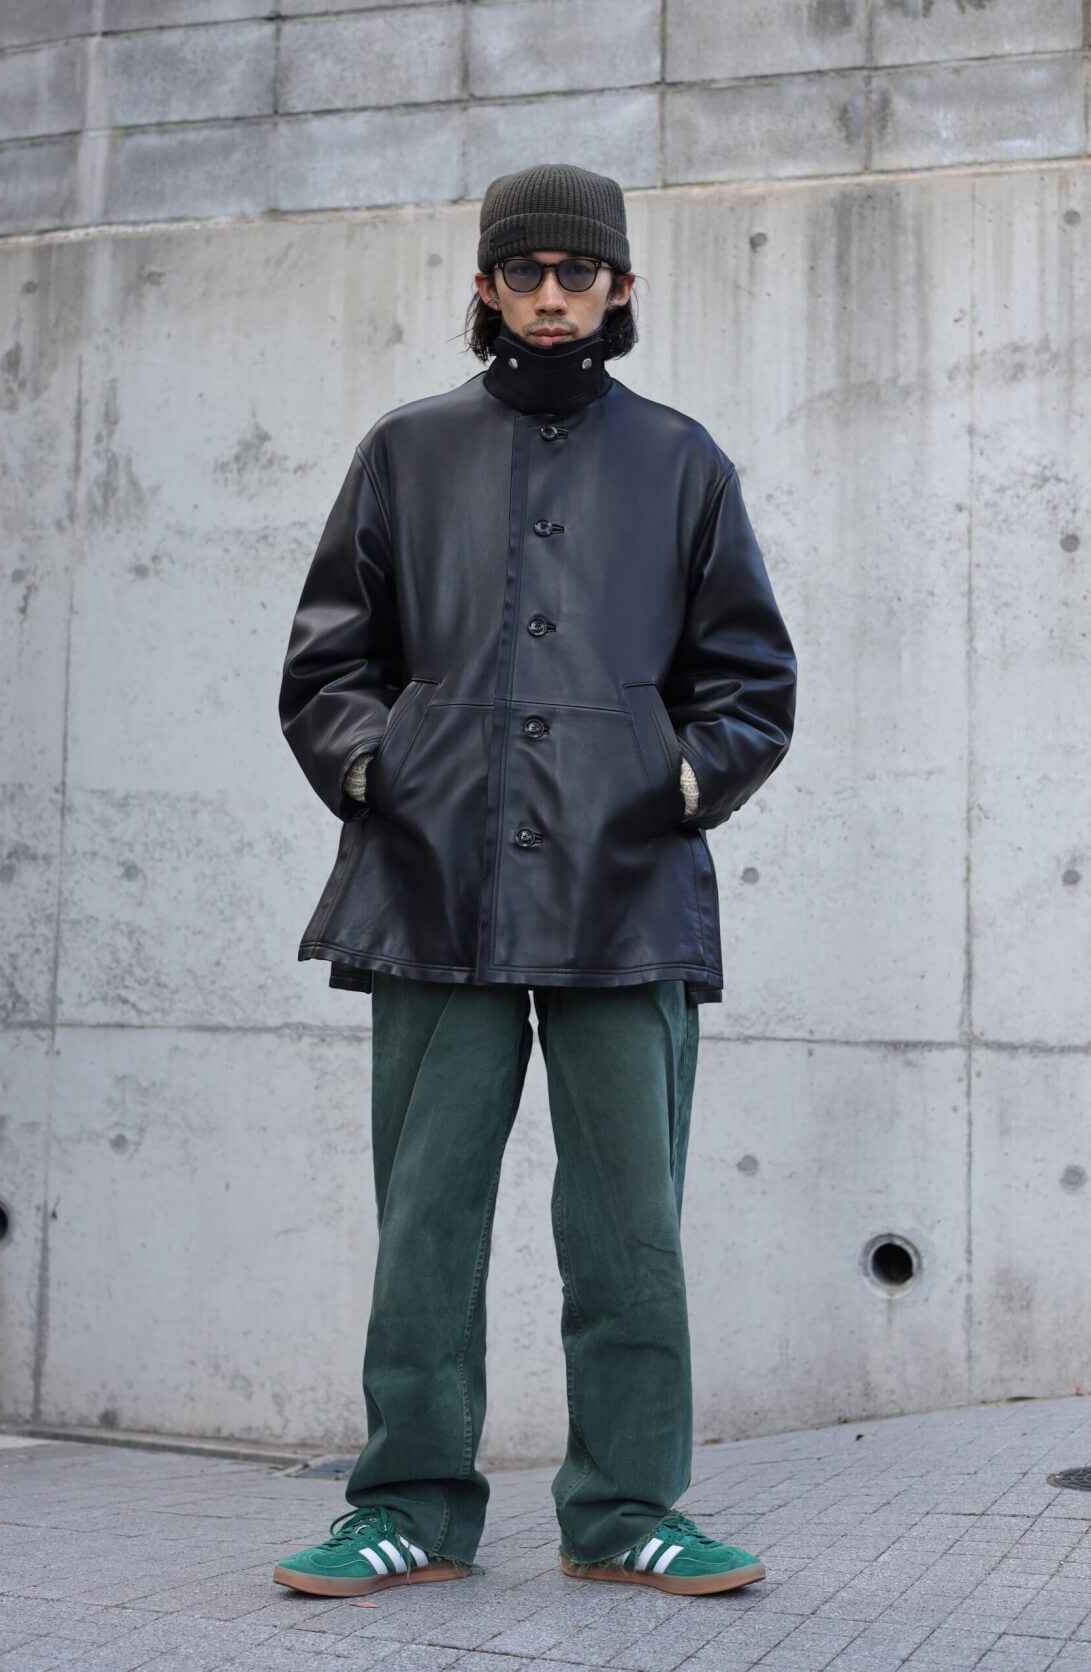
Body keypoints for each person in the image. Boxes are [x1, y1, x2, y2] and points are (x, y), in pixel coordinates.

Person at [273, 162, 797, 1599]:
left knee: (629, 1228)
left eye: (578, 272)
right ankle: (409, 1506)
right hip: (432, 885)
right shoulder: (407, 450)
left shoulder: (682, 461)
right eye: (526, 272)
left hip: (626, 893)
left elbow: (751, 681)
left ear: (621, 288)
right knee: (424, 1222)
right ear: (487, 287)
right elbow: (328, 663)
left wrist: (674, 781)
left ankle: (625, 1509)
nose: (552, 296)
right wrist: (383, 769)